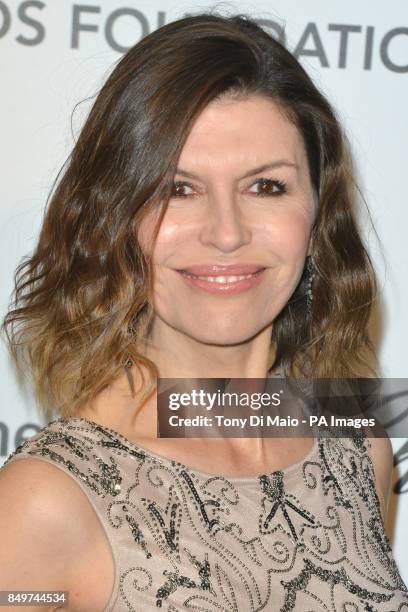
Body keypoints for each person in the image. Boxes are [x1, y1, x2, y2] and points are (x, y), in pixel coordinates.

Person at [0, 11, 406, 612]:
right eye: (176, 189)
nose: (225, 233)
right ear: (114, 219)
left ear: (318, 213)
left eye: (266, 186)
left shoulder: (356, 450)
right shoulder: (45, 504)